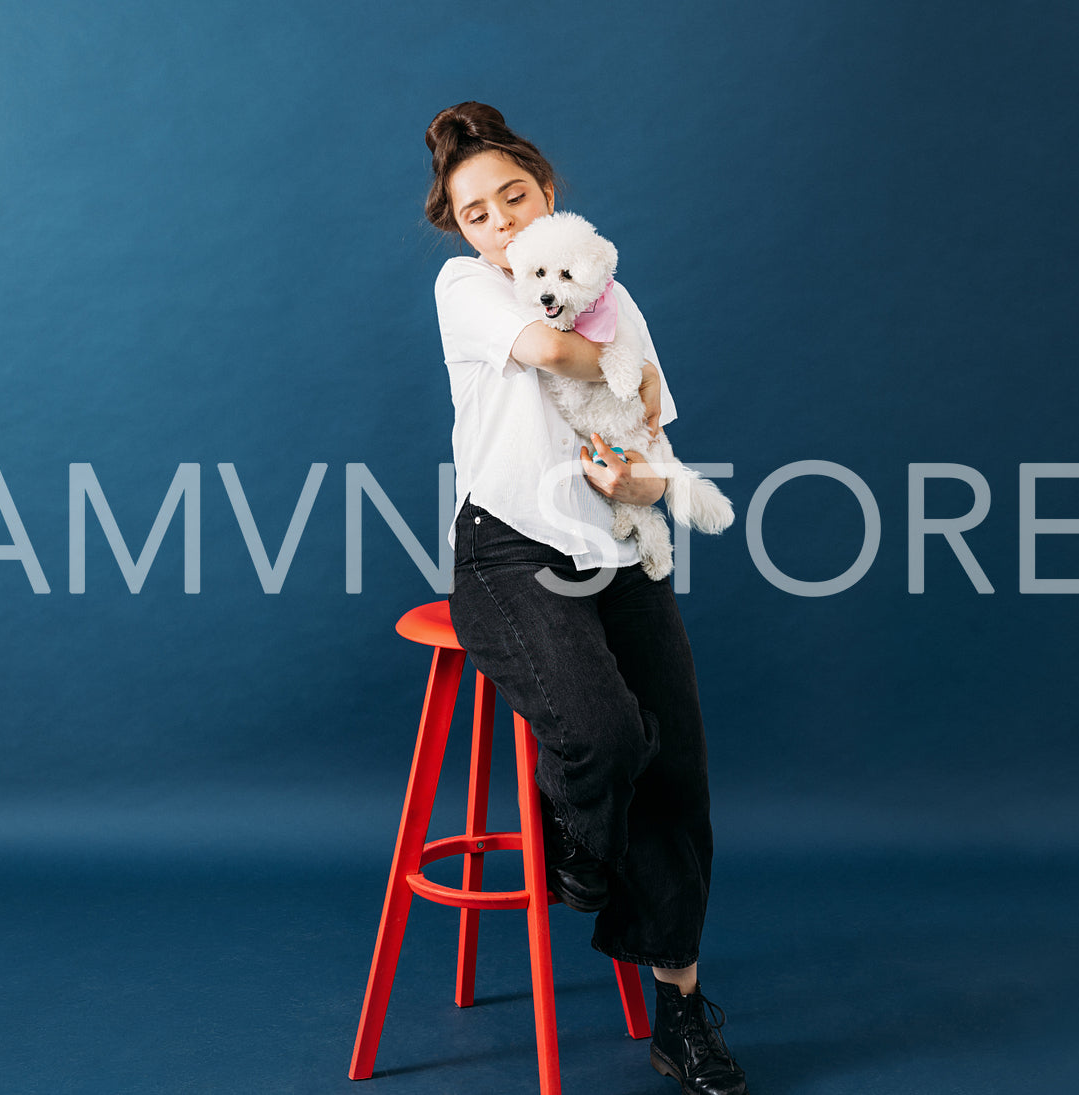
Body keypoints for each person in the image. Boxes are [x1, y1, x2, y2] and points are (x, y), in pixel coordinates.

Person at [425, 101, 749, 1095]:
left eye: (514, 197)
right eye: (478, 212)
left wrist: (644, 480)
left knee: (675, 771)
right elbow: (564, 357)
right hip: (506, 552)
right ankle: (575, 839)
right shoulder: (469, 289)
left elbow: (653, 439)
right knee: (605, 735)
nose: (502, 222)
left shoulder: (615, 296)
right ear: (463, 230)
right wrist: (632, 377)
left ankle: (681, 1015)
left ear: (547, 191)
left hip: (615, 547)